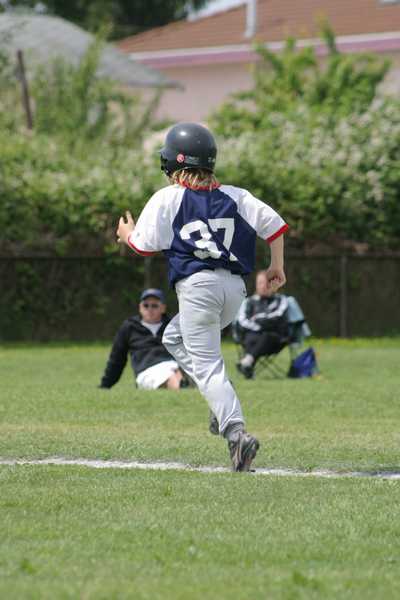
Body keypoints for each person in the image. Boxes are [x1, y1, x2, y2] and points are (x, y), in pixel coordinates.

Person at [116, 122, 288, 472]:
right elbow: (275, 225)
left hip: (198, 289)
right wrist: (276, 265)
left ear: (172, 163)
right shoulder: (237, 196)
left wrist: (126, 233)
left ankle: (236, 434)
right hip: (234, 291)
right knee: (173, 337)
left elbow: (143, 246)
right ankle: (219, 401)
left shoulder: (169, 197)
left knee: (209, 367)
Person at [99, 288, 184, 390]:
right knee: (172, 377)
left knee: (179, 374)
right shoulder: (130, 327)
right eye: (146, 305)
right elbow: (117, 359)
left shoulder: (173, 326)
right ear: (140, 307)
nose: (150, 309)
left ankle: (184, 387)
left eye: (154, 305)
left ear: (163, 308)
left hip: (174, 365)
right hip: (146, 371)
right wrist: (105, 385)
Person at [235, 270, 289, 379]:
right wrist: (260, 326)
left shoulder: (281, 300)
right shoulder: (248, 302)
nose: (263, 286)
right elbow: (242, 321)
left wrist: (258, 318)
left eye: (266, 283)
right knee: (252, 337)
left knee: (267, 336)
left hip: (275, 340)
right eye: (259, 283)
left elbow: (278, 318)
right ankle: (248, 365)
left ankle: (247, 362)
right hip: (252, 337)